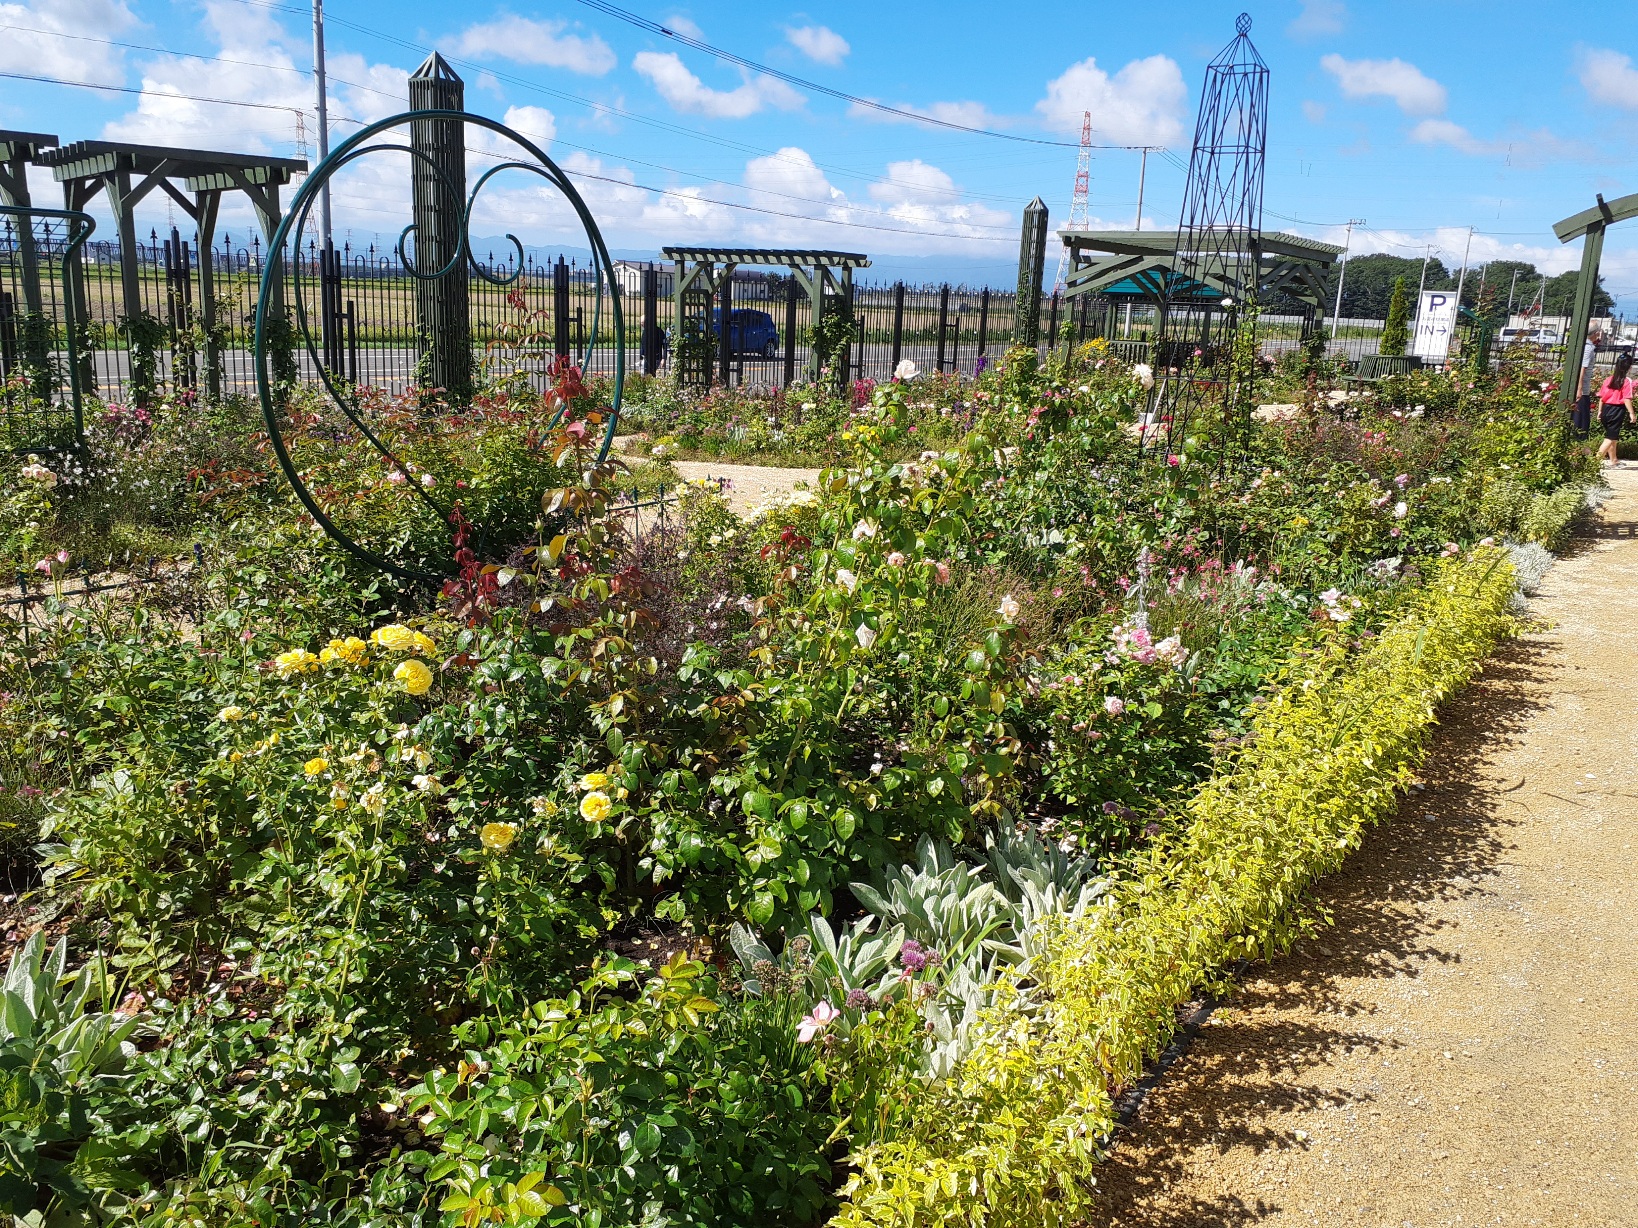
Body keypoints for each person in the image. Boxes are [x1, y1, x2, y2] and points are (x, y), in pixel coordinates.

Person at [1594, 351, 1635, 468]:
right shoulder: (1626, 381)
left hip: (1606, 409)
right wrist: (1632, 413)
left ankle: (1614, 460)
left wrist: (1599, 412)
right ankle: (1594, 462)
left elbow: (1602, 397)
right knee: (1610, 438)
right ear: (1629, 367)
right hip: (1616, 411)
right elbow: (1627, 399)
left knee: (1613, 437)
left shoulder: (1608, 379)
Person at [1574, 327, 1604, 437]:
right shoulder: (1588, 348)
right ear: (1596, 333)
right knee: (1581, 423)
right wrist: (1579, 389)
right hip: (1582, 391)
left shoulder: (1584, 345)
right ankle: (1577, 444)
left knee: (1581, 420)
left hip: (1582, 389)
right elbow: (1582, 368)